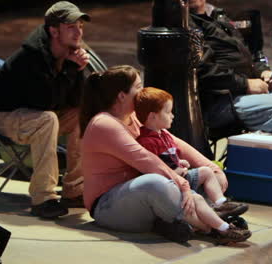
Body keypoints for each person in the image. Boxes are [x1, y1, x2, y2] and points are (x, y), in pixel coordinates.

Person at [80, 65, 251, 244]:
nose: (142, 90)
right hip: (108, 206)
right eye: (138, 87)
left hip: (145, 197)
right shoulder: (104, 124)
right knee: (156, 183)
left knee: (198, 177)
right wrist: (183, 186)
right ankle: (212, 227)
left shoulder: (135, 117)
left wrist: (211, 167)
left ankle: (177, 222)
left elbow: (174, 142)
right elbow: (146, 160)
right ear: (122, 96)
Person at [0, 1, 91, 218]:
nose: (78, 31)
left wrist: (77, 70)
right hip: (4, 116)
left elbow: (74, 101)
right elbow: (44, 102)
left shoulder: (70, 53)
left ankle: (73, 189)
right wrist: (70, 69)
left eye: (80, 26)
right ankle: (43, 198)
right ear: (53, 30)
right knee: (47, 119)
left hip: (39, 115)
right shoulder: (31, 57)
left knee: (83, 114)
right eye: (71, 26)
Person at [188, 0, 272, 141]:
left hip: (245, 89)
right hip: (222, 99)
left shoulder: (219, 17)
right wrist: (246, 84)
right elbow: (204, 72)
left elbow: (248, 55)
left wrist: (263, 72)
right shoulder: (187, 25)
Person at [134, 87, 248, 218]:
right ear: (153, 116)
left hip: (182, 176)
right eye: (168, 112)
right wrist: (173, 172)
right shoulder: (147, 142)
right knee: (198, 196)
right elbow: (152, 167)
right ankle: (219, 220)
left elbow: (169, 156)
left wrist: (179, 162)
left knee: (206, 171)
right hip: (171, 182)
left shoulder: (165, 135)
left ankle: (221, 203)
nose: (172, 115)